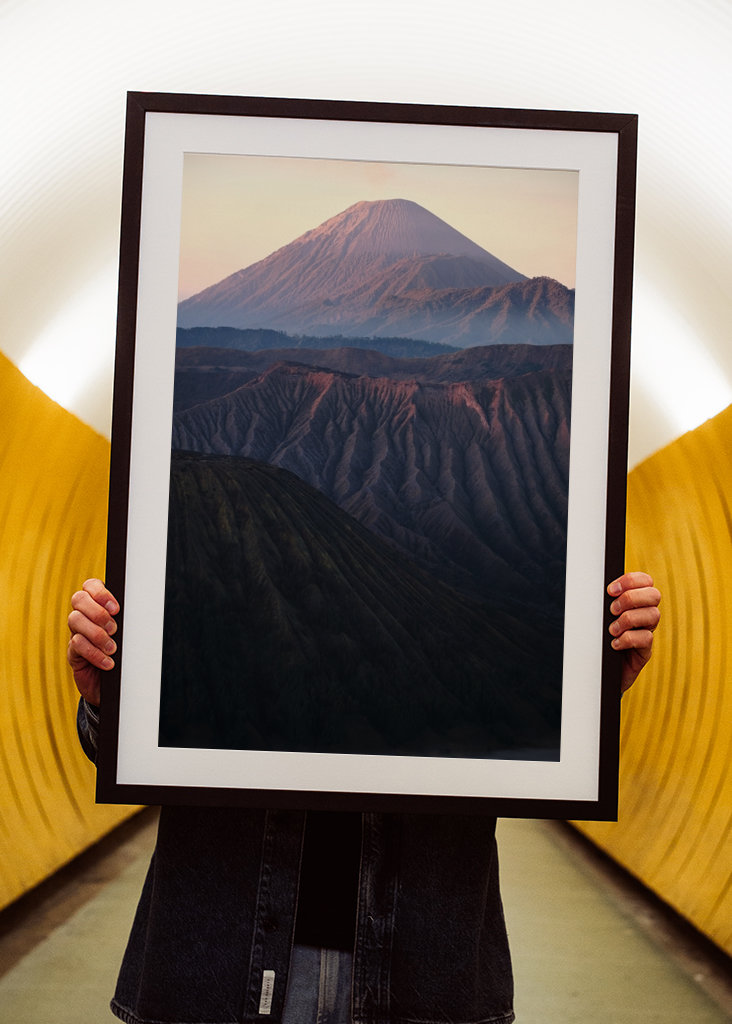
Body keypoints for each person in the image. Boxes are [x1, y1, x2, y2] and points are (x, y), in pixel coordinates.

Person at [68, 572, 661, 1024]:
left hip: (421, 966)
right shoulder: (200, 569)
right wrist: (109, 700)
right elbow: (130, 748)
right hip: (221, 959)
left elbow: (513, 733)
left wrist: (586, 694)